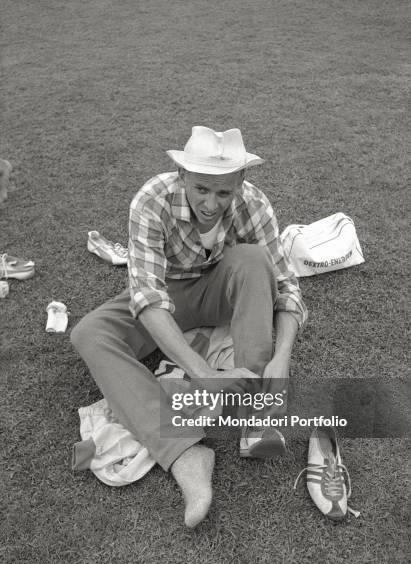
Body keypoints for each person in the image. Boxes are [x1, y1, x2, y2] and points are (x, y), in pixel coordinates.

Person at [71, 126, 308, 528]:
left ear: (240, 183)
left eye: (223, 193)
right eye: (201, 189)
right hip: (169, 296)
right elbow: (147, 297)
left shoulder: (255, 203)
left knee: (252, 259)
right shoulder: (151, 201)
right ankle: (185, 453)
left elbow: (285, 286)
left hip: (222, 289)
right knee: (88, 334)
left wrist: (282, 357)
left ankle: (257, 409)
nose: (211, 204)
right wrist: (203, 375)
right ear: (181, 175)